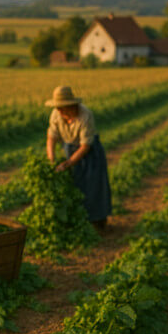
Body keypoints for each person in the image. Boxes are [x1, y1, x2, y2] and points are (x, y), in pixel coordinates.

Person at [45, 86, 112, 228]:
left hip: (89, 153)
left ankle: (98, 220)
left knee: (93, 186)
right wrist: (51, 158)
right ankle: (79, 220)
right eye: (58, 107)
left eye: (62, 107)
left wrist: (68, 163)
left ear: (71, 105)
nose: (59, 110)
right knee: (75, 186)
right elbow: (51, 137)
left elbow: (85, 146)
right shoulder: (56, 115)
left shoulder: (85, 115)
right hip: (69, 150)